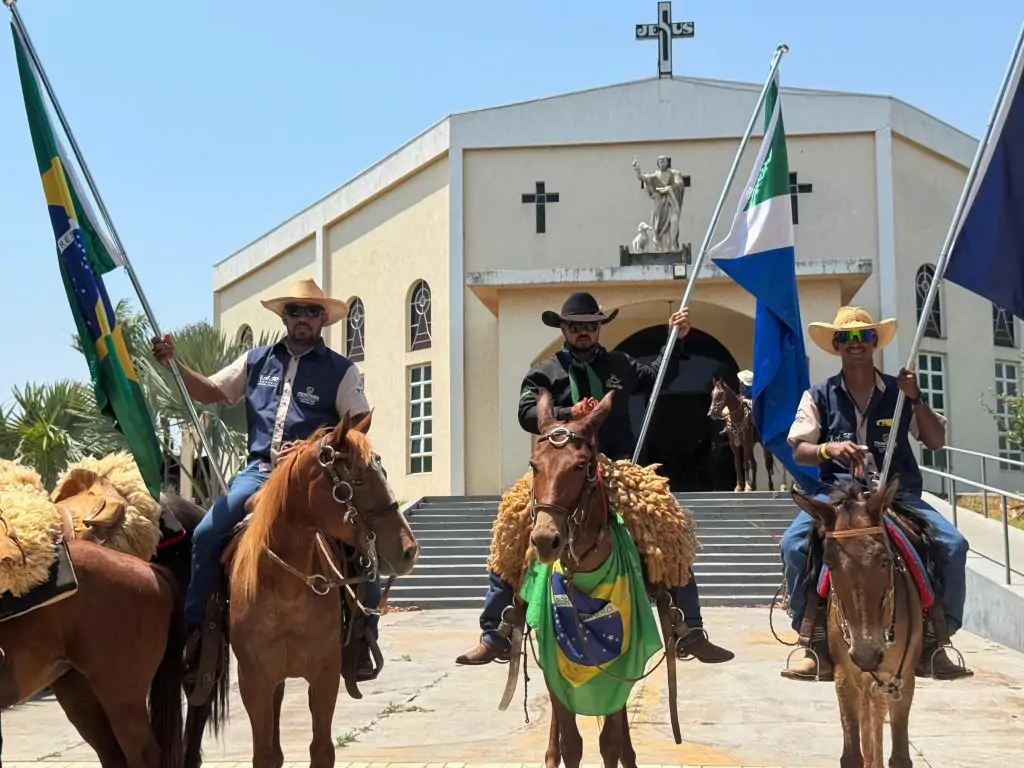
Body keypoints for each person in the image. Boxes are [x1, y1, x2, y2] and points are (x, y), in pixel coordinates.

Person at [456, 291, 735, 666]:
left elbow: (655, 378)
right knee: (511, 522)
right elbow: (526, 413)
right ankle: (496, 632)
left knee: (668, 525)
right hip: (558, 471)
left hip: (615, 467)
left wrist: (675, 340)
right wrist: (569, 411)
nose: (583, 332)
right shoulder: (544, 372)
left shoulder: (619, 363)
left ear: (599, 328)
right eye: (575, 327)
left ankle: (690, 629)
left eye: (590, 325)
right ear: (564, 329)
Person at [152, 278, 382, 675]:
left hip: (314, 479)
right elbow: (210, 390)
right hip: (259, 472)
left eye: (311, 311)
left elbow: (359, 424)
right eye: (294, 311)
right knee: (206, 534)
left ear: (323, 319)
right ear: (284, 317)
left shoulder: (341, 370)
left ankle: (363, 635)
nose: (302, 318)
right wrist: (174, 363)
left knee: (365, 539)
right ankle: (196, 631)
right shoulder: (256, 360)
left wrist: (311, 446)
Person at [779, 306, 972, 681]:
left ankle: (937, 639)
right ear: (837, 345)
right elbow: (799, 450)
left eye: (863, 336)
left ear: (874, 342)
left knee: (953, 545)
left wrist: (916, 398)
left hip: (895, 495)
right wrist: (828, 449)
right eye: (846, 337)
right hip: (839, 497)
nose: (855, 343)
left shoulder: (900, 393)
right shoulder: (818, 395)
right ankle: (811, 640)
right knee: (793, 545)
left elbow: (935, 441)